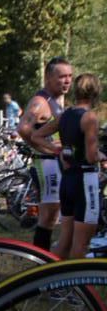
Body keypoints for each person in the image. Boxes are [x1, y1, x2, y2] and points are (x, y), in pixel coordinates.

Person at [31, 72, 103, 259]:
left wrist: (58, 150)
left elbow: (36, 136)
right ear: (96, 92)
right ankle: (78, 288)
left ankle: (51, 281)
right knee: (82, 244)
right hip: (85, 181)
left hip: (68, 180)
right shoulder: (90, 118)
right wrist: (102, 155)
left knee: (65, 240)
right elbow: (91, 155)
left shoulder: (65, 115)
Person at [17, 56, 74, 251]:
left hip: (55, 163)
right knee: (48, 216)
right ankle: (41, 263)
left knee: (52, 215)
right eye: (61, 77)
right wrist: (46, 147)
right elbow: (23, 128)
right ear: (49, 78)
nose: (67, 81)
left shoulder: (57, 99)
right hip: (46, 164)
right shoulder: (41, 101)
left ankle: (44, 261)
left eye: (70, 76)